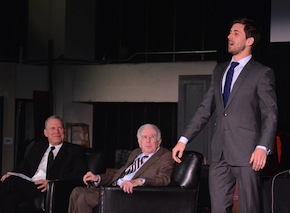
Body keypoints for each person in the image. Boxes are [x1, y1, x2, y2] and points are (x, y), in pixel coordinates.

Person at [172, 17, 278, 213]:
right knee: (218, 208)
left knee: (249, 208)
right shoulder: (219, 70)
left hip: (248, 153)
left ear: (249, 41)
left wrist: (263, 147)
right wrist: (183, 140)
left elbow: (270, 114)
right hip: (219, 153)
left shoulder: (261, 73)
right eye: (230, 32)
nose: (229, 36)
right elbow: (205, 109)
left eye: (236, 33)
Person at [68, 123, 175, 213]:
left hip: (130, 194)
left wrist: (138, 181)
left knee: (84, 197)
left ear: (159, 141)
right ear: (139, 142)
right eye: (144, 137)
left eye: (152, 137)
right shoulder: (136, 152)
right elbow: (118, 174)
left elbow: (164, 179)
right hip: (114, 188)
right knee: (76, 191)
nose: (148, 141)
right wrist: (98, 178)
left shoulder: (166, 156)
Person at [0, 115, 89, 213]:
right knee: (10, 199)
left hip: (50, 189)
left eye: (60, 128)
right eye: (53, 128)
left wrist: (54, 182)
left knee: (11, 181)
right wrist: (12, 173)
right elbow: (24, 167)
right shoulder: (37, 147)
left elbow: (80, 172)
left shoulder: (75, 150)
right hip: (31, 185)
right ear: (45, 133)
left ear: (64, 131)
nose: (57, 132)